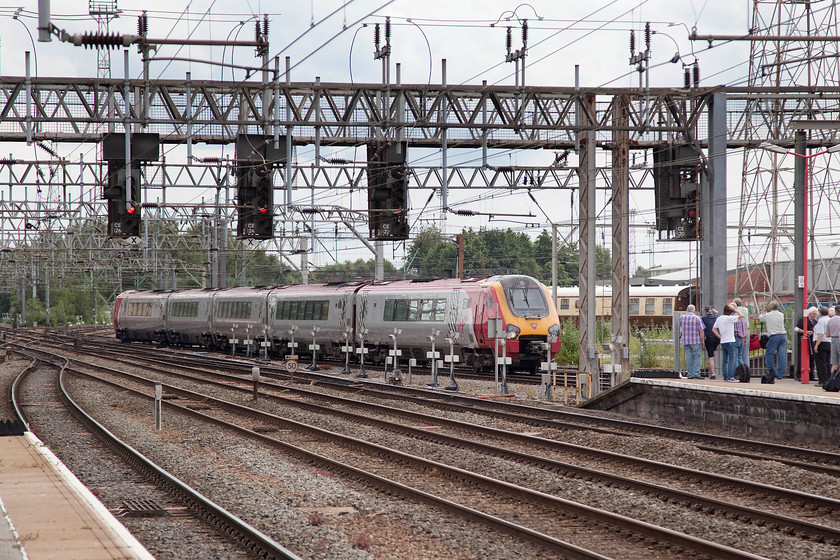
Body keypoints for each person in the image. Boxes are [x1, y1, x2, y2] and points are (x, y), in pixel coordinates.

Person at [712, 304, 745, 382]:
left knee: (724, 359)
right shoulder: (730, 318)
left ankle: (725, 376)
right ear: (730, 311)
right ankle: (731, 377)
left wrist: (720, 336)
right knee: (731, 359)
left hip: (723, 341)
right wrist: (735, 309)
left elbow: (713, 329)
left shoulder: (719, 318)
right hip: (730, 340)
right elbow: (741, 315)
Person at [759, 301, 788, 382]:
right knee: (782, 355)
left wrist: (763, 314)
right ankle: (780, 374)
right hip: (783, 335)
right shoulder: (781, 315)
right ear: (778, 307)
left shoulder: (767, 315)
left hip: (774, 336)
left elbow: (760, 318)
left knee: (769, 354)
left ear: (770, 307)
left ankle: (772, 371)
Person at [679, 304, 705, 379]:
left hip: (686, 340)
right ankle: (696, 373)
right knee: (697, 356)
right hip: (695, 340)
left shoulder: (682, 318)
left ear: (687, 310)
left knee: (689, 357)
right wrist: (702, 341)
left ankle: (689, 374)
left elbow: (681, 327)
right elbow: (701, 330)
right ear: (694, 310)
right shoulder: (697, 318)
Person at [794, 308, 819, 381]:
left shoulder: (815, 322)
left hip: (812, 341)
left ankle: (811, 375)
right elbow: (796, 328)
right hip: (803, 341)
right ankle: (799, 374)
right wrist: (806, 332)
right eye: (813, 314)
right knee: (802, 357)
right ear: (810, 313)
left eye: (816, 314)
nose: (815, 315)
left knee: (812, 358)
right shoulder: (803, 320)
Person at [812, 306, 831, 386]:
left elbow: (820, 334)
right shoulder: (830, 320)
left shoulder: (821, 321)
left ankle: (822, 381)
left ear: (820, 313)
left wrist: (816, 345)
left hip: (821, 343)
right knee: (828, 362)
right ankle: (829, 379)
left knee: (821, 363)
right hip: (829, 342)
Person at [701, 306, 720, 379]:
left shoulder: (703, 319)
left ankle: (713, 373)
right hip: (717, 338)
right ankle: (713, 370)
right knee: (713, 354)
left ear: (705, 312)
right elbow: (717, 312)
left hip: (709, 338)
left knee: (710, 357)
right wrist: (713, 310)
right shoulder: (716, 317)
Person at [733, 298, 750, 366]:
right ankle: (746, 368)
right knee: (745, 352)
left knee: (736, 353)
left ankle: (738, 370)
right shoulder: (746, 310)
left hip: (737, 331)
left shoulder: (735, 311)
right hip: (746, 330)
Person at [826, 305, 840, 378]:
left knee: (834, 363)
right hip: (839, 339)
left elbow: (827, 334)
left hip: (833, 340)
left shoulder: (830, 320)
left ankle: (832, 380)